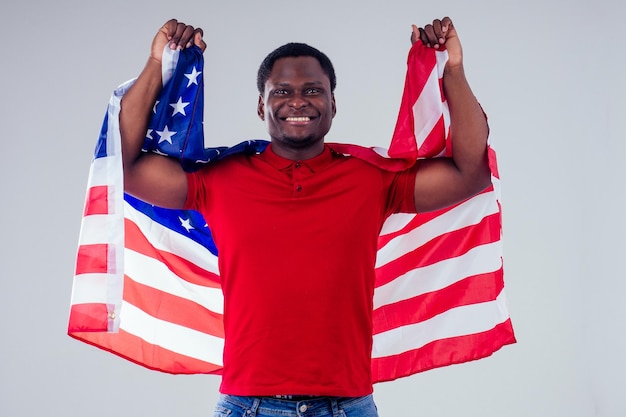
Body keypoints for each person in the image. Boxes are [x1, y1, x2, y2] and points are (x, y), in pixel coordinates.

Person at [119, 17, 490, 417]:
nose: (298, 101)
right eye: (282, 92)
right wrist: (157, 63)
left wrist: (452, 70)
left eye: (313, 90)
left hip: (347, 407)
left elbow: (470, 173)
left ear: (333, 104)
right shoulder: (218, 179)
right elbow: (121, 166)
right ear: (262, 105)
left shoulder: (372, 180)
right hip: (248, 406)